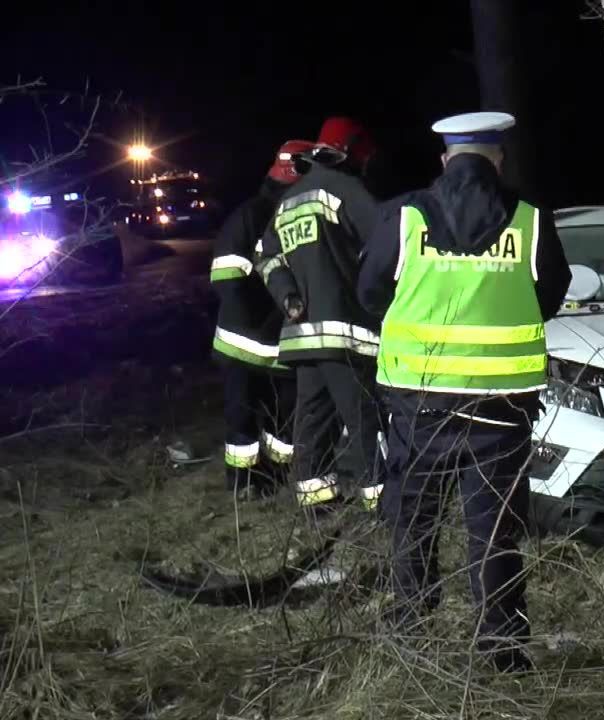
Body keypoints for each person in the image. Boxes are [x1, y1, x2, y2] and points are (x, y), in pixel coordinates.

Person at [356, 111, 570, 672]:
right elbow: (551, 295)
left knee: (413, 518)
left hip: (416, 401)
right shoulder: (529, 219)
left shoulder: (404, 217)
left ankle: (411, 636)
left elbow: (370, 292)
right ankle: (502, 649)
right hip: (501, 407)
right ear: (497, 161)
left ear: (447, 160)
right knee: (495, 527)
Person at [255, 116, 386, 510]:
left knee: (313, 418)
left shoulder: (288, 200)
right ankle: (382, 502)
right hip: (345, 333)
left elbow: (265, 256)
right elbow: (385, 241)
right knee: (363, 417)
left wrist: (287, 296)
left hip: (302, 335)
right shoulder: (346, 189)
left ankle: (314, 499)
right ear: (352, 150)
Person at [210, 139, 313, 499]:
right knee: (243, 419)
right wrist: (267, 311)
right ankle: (242, 484)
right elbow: (225, 277)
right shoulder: (251, 215)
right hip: (247, 342)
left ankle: (272, 479)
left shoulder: (283, 213)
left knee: (281, 420)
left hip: (281, 342)